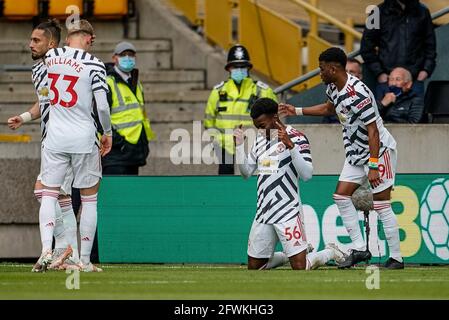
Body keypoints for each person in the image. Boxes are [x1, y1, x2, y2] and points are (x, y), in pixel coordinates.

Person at [279, 47, 404, 269]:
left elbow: (373, 130)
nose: (319, 72)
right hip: (355, 154)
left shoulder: (358, 92)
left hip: (379, 151)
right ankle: (359, 248)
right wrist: (296, 110)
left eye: (321, 68)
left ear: (333, 68)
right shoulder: (332, 87)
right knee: (340, 196)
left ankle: (396, 259)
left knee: (382, 205)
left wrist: (374, 165)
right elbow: (329, 108)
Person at [234, 97, 347, 270]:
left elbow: (307, 174)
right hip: (263, 212)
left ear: (275, 117)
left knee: (300, 268)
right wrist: (239, 146)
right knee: (255, 268)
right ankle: (290, 253)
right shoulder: (260, 139)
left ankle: (329, 252)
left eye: (262, 126)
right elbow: (246, 172)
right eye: (257, 127)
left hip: (288, 210)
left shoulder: (297, 137)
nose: (260, 131)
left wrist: (290, 146)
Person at [38, 20, 112, 272]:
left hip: (55, 137)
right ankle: (86, 261)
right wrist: (108, 132)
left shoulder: (51, 56)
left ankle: (47, 249)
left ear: (68, 38)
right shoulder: (95, 64)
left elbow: (43, 95)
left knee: (49, 194)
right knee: (90, 201)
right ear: (89, 39)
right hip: (83, 138)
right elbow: (102, 106)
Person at [8, 19, 78, 272]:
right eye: (30, 40)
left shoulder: (62, 67)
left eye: (36, 40)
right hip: (54, 139)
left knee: (44, 192)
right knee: (62, 198)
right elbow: (45, 102)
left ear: (52, 43)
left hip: (63, 140)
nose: (30, 44)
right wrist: (24, 117)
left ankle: (60, 248)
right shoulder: (39, 69)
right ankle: (70, 257)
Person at [204, 44, 278, 175]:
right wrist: (218, 142)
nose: (239, 70)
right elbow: (209, 122)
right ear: (229, 69)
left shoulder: (263, 91)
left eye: (242, 67)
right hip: (225, 149)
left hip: (255, 146)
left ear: (248, 68)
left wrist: (266, 143)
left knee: (260, 179)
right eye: (235, 67)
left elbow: (275, 121)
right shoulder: (218, 91)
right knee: (225, 185)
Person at [360, 0, 436, 99]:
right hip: (386, 81)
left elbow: (430, 45)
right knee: (384, 114)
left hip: (415, 81)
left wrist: (425, 71)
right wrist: (379, 74)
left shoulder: (423, 12)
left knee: (415, 114)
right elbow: (366, 46)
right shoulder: (376, 12)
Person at [102, 41, 155, 175]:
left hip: (133, 153)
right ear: (114, 58)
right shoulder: (108, 83)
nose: (127, 58)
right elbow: (100, 118)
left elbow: (140, 116)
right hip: (115, 155)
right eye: (123, 55)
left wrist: (143, 143)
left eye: (130, 55)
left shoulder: (136, 83)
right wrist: (120, 143)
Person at [323, 57, 363, 124]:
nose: (347, 75)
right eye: (345, 71)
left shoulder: (365, 95)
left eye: (352, 72)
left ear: (360, 76)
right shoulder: (333, 93)